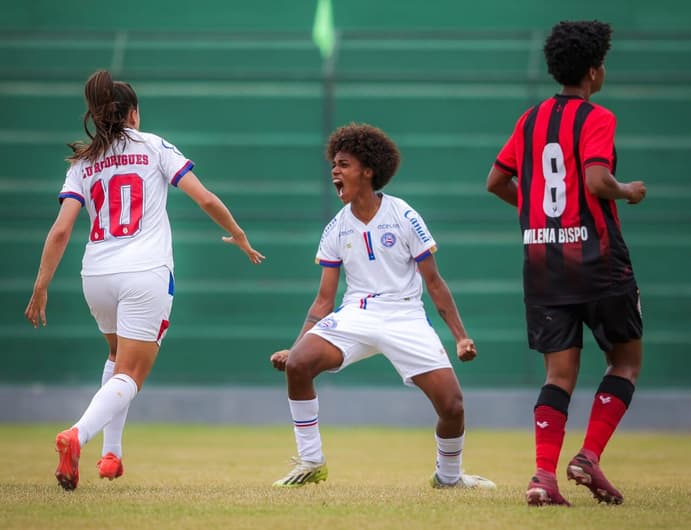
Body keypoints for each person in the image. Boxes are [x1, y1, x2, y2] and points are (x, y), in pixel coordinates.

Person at [24, 70, 265, 491]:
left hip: (95, 274)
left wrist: (41, 285)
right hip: (145, 271)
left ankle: (110, 455)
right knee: (131, 375)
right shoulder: (153, 145)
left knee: (117, 359)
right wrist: (240, 235)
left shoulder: (84, 162)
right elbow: (205, 197)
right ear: (132, 113)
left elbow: (61, 230)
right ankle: (77, 435)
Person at [269, 122, 495, 490]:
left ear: (368, 170)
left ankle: (449, 478)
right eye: (333, 166)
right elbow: (324, 299)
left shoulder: (404, 215)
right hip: (356, 314)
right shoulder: (334, 229)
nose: (335, 172)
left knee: (452, 406)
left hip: (405, 315)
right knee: (298, 364)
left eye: (343, 164)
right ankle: (312, 461)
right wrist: (296, 345)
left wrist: (461, 337)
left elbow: (434, 282)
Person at [486, 20, 646, 507]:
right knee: (625, 361)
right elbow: (597, 181)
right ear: (594, 72)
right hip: (598, 261)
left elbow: (495, 180)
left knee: (558, 376)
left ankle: (542, 477)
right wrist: (627, 190)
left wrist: (536, 214)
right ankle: (589, 456)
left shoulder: (529, 120)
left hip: (542, 264)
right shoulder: (596, 117)